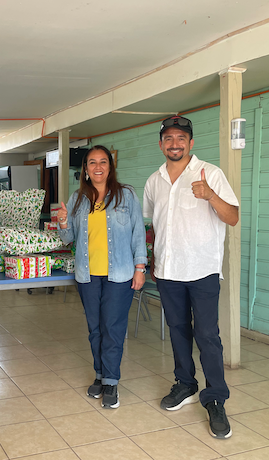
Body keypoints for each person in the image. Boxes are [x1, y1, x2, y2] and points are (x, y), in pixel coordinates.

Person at [143, 115, 239, 439]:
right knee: (178, 330)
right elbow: (152, 224)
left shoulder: (210, 173)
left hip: (202, 270)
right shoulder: (154, 181)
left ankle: (215, 400)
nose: (174, 143)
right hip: (168, 271)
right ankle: (185, 383)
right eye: (168, 138)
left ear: (191, 143)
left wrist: (211, 195)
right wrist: (149, 261)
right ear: (161, 144)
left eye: (180, 138)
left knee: (208, 335)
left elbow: (234, 217)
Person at [57, 145, 147, 409]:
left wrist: (140, 268)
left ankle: (111, 381)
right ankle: (99, 373)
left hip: (119, 275)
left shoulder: (127, 195)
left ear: (110, 166)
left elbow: (138, 234)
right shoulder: (77, 199)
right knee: (95, 329)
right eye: (92, 163)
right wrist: (63, 221)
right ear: (85, 169)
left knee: (113, 328)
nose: (98, 167)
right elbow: (68, 239)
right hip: (88, 275)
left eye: (103, 162)